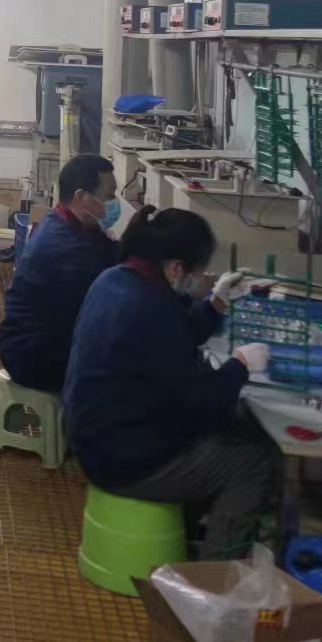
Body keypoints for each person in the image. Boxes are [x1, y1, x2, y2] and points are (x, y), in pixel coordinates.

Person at [64, 205, 280, 559]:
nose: (202, 277)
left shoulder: (117, 280)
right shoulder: (149, 307)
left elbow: (178, 332)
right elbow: (202, 404)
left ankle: (188, 532)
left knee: (234, 431)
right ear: (177, 267)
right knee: (254, 459)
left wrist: (217, 302)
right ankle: (216, 577)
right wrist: (239, 366)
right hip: (122, 460)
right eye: (199, 271)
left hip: (94, 436)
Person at [0, 154, 121, 393]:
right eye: (109, 195)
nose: (113, 203)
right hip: (34, 357)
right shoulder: (66, 247)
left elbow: (107, 251)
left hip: (31, 340)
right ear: (81, 197)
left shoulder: (63, 220)